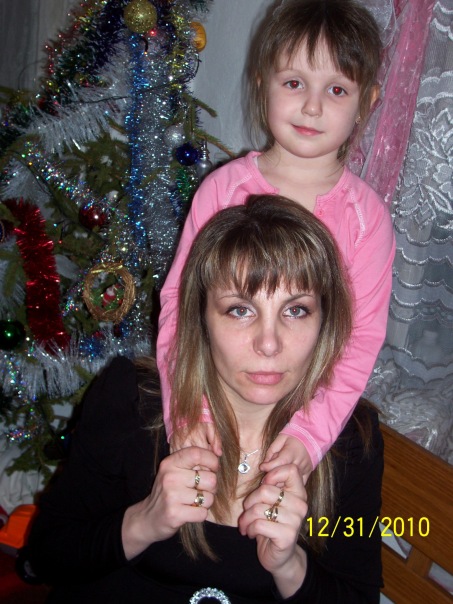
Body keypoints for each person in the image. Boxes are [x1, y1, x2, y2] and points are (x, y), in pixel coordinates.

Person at [27, 195, 383, 603]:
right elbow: (47, 554)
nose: (269, 344)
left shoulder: (350, 441)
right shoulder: (132, 398)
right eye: (240, 310)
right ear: (201, 317)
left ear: (325, 321)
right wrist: (143, 521)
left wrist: (290, 566)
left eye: (296, 310)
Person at [157, 0, 395, 478]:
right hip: (213, 412)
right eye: (294, 83)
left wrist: (310, 435)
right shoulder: (223, 192)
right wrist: (187, 411)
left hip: (303, 428)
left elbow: (360, 339)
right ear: (262, 81)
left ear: (367, 102)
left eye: (336, 89)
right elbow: (181, 305)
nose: (312, 106)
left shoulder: (366, 218)